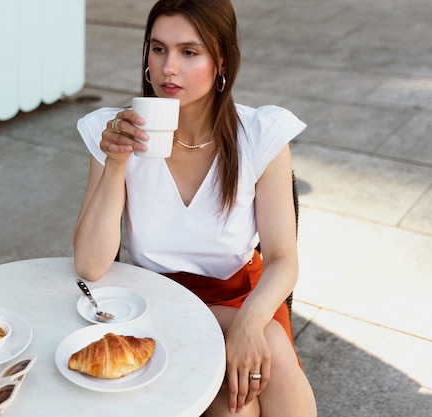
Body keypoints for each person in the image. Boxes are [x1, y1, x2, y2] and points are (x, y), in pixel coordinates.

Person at [73, 0, 317, 415]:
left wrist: (248, 323)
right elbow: (90, 266)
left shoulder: (260, 134)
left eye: (189, 52)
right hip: (159, 304)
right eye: (158, 48)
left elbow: (282, 259)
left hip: (243, 297)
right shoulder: (114, 132)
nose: (169, 68)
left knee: (263, 356)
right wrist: (116, 163)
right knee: (235, 408)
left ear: (221, 60)